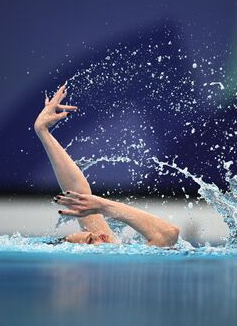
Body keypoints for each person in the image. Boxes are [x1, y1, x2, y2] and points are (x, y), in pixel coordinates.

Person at [34, 84, 180, 247]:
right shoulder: (126, 264)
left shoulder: (111, 249)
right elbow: (168, 234)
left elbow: (78, 193)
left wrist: (42, 131)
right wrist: (103, 206)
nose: (100, 235)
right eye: (91, 239)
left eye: (90, 234)